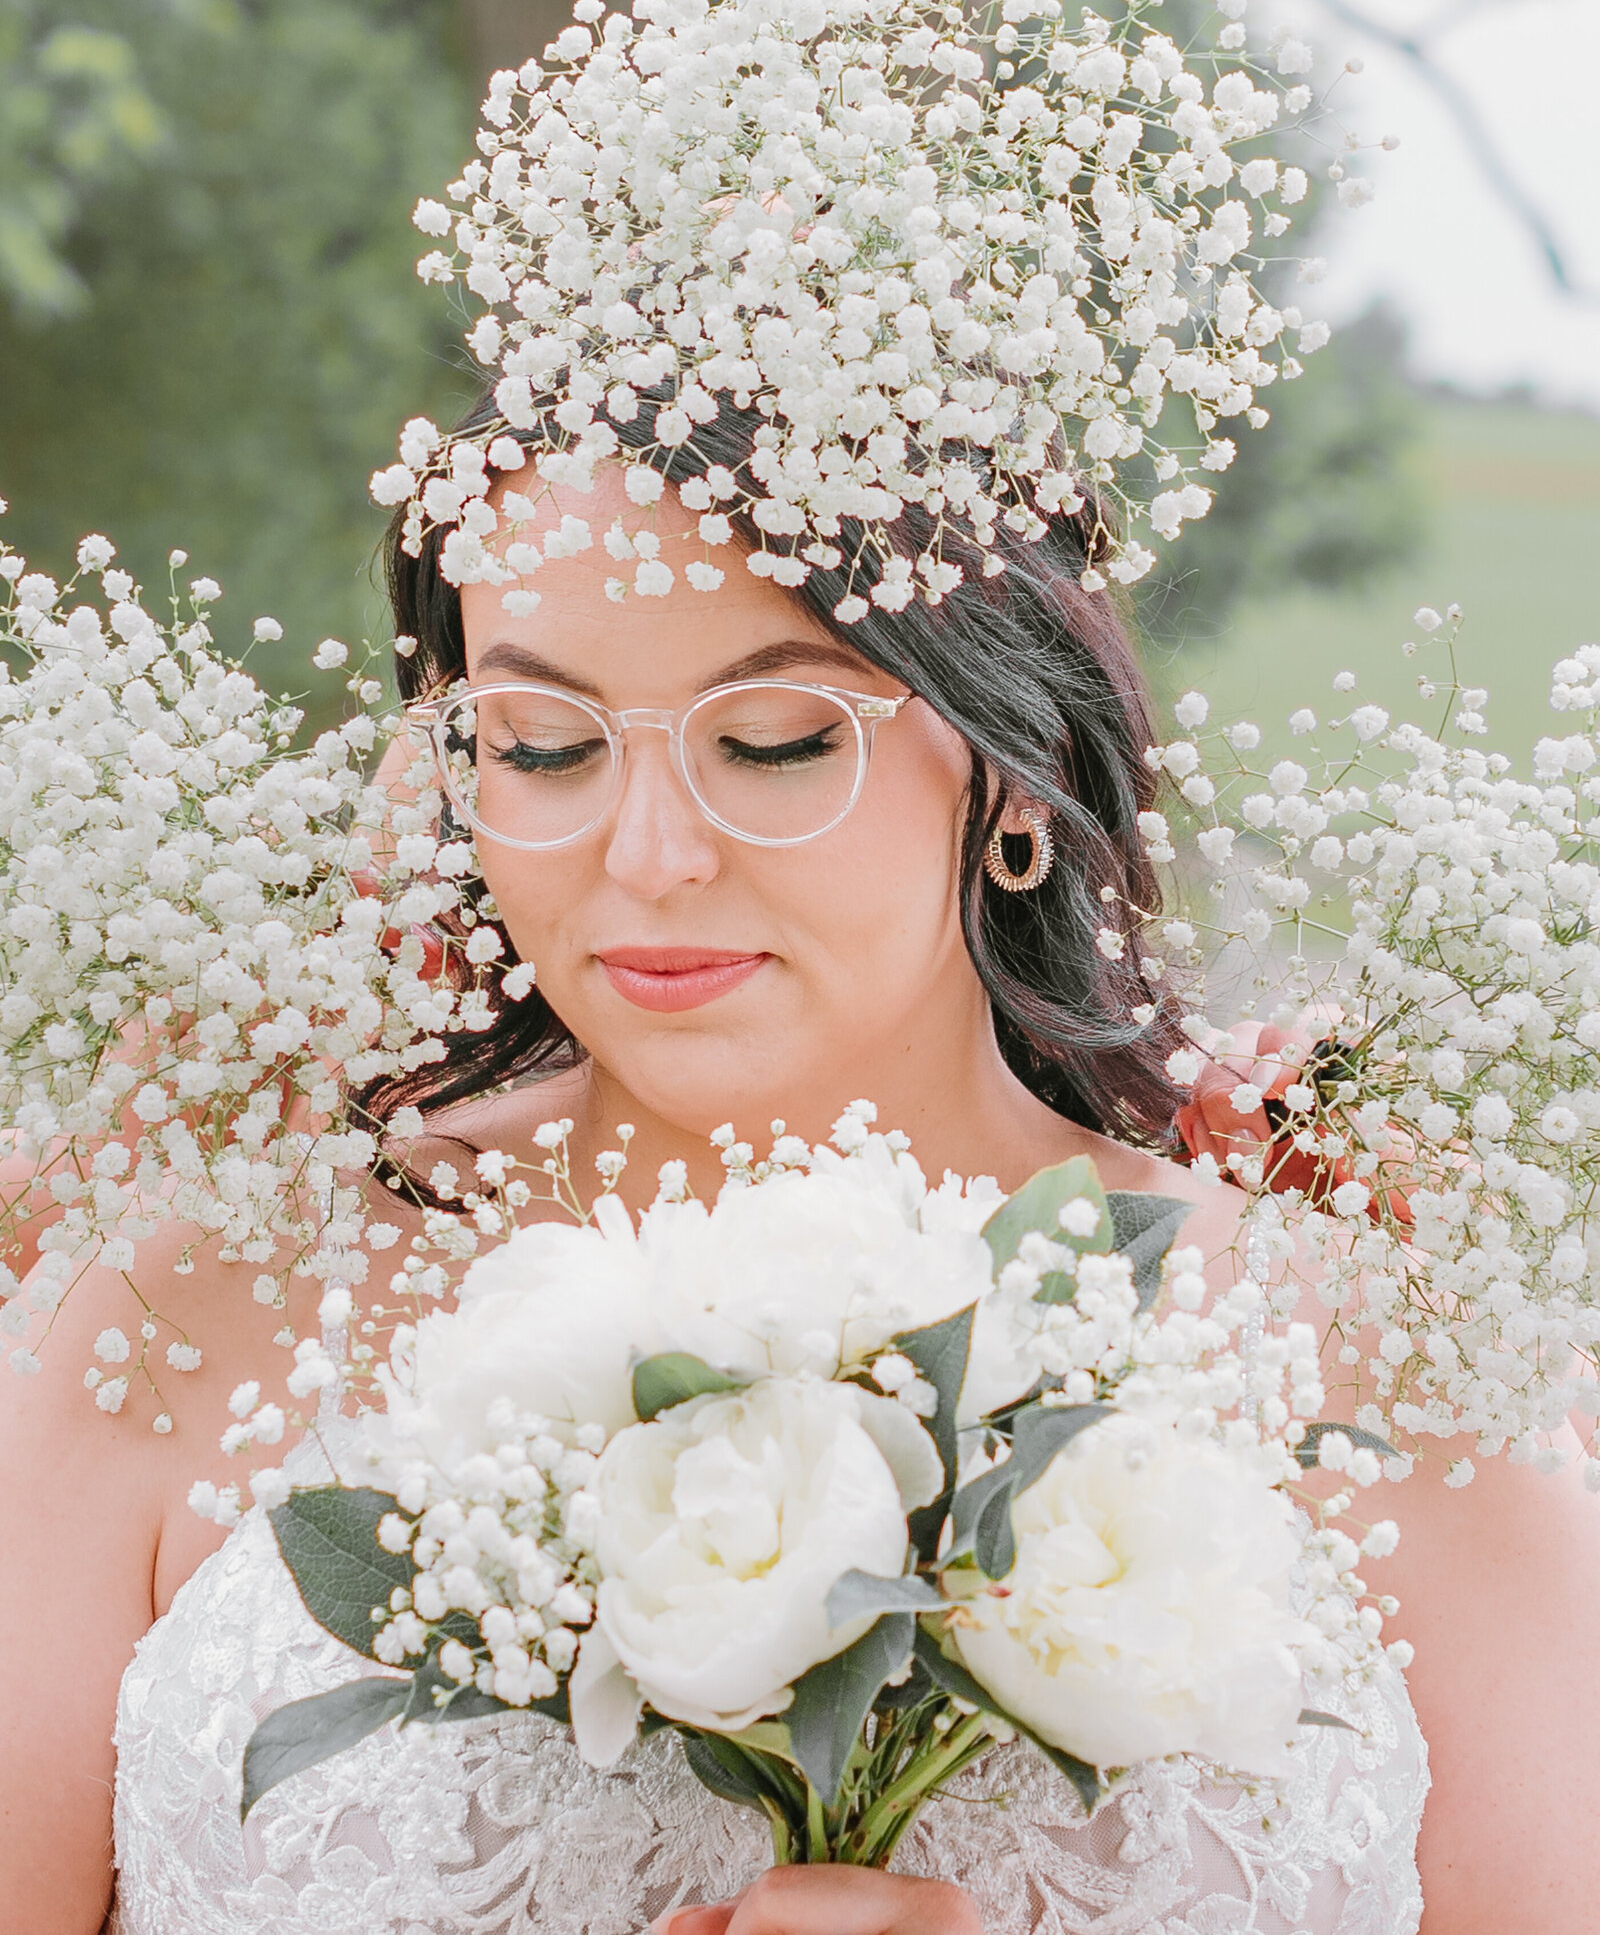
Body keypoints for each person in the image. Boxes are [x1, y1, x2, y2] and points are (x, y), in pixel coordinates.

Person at [3, 396, 1599, 1935]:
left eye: (771, 741)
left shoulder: (1385, 1343)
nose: (646, 858)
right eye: (545, 746)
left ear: (1014, 768)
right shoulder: (200, 1292)